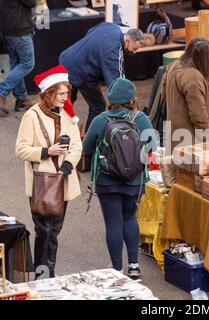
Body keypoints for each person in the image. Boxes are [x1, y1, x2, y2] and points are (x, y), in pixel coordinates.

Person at [82, 78, 156, 279]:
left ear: (111, 98)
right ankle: (134, 266)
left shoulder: (100, 120)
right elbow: (153, 148)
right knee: (130, 218)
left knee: (113, 223)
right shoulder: (141, 119)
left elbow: (86, 148)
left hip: (107, 180)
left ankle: (117, 270)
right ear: (133, 98)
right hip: (134, 180)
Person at [15, 65, 82, 278]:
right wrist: (47, 151)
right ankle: (43, 275)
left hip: (62, 180)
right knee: (43, 231)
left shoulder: (66, 115)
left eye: (67, 93)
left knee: (54, 231)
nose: (66, 97)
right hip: (42, 182)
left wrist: (67, 166)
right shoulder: (31, 116)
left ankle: (48, 272)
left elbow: (77, 145)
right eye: (62, 93)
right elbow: (21, 150)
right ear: (49, 93)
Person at [59, 23, 144, 132]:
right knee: (98, 105)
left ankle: (60, 134)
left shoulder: (112, 27)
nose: (134, 52)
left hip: (67, 60)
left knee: (65, 103)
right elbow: (117, 83)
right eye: (134, 48)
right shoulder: (113, 52)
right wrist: (130, 101)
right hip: (81, 72)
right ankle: (89, 138)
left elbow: (90, 31)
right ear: (128, 41)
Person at [165, 36, 209, 150]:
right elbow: (198, 113)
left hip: (175, 134)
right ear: (203, 57)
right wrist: (208, 136)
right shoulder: (193, 76)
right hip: (190, 140)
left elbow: (164, 94)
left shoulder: (174, 65)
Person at [0, 0, 36, 116]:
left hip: (8, 28)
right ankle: (1, 92)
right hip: (19, 28)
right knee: (27, 64)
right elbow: (31, 2)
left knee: (16, 64)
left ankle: (22, 99)